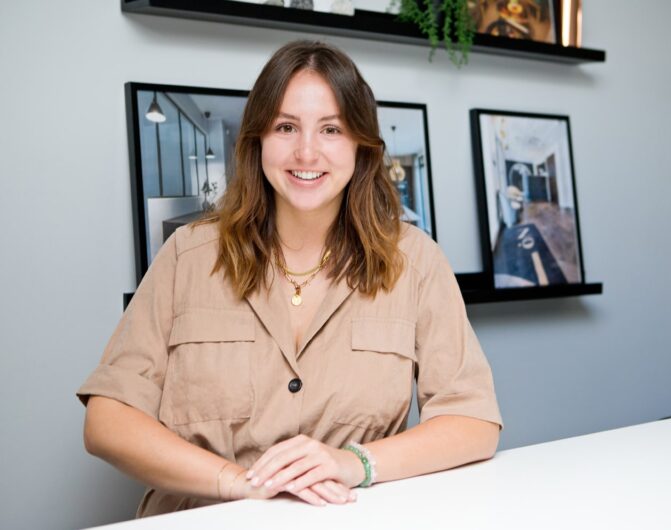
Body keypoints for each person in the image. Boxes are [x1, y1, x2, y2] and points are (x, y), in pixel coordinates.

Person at [78, 40, 503, 517]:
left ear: (361, 145)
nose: (306, 151)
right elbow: (107, 420)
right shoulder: (187, 256)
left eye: (331, 129)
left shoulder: (415, 261)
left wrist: (355, 463)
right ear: (257, 139)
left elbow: (473, 420)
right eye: (285, 127)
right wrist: (239, 483)